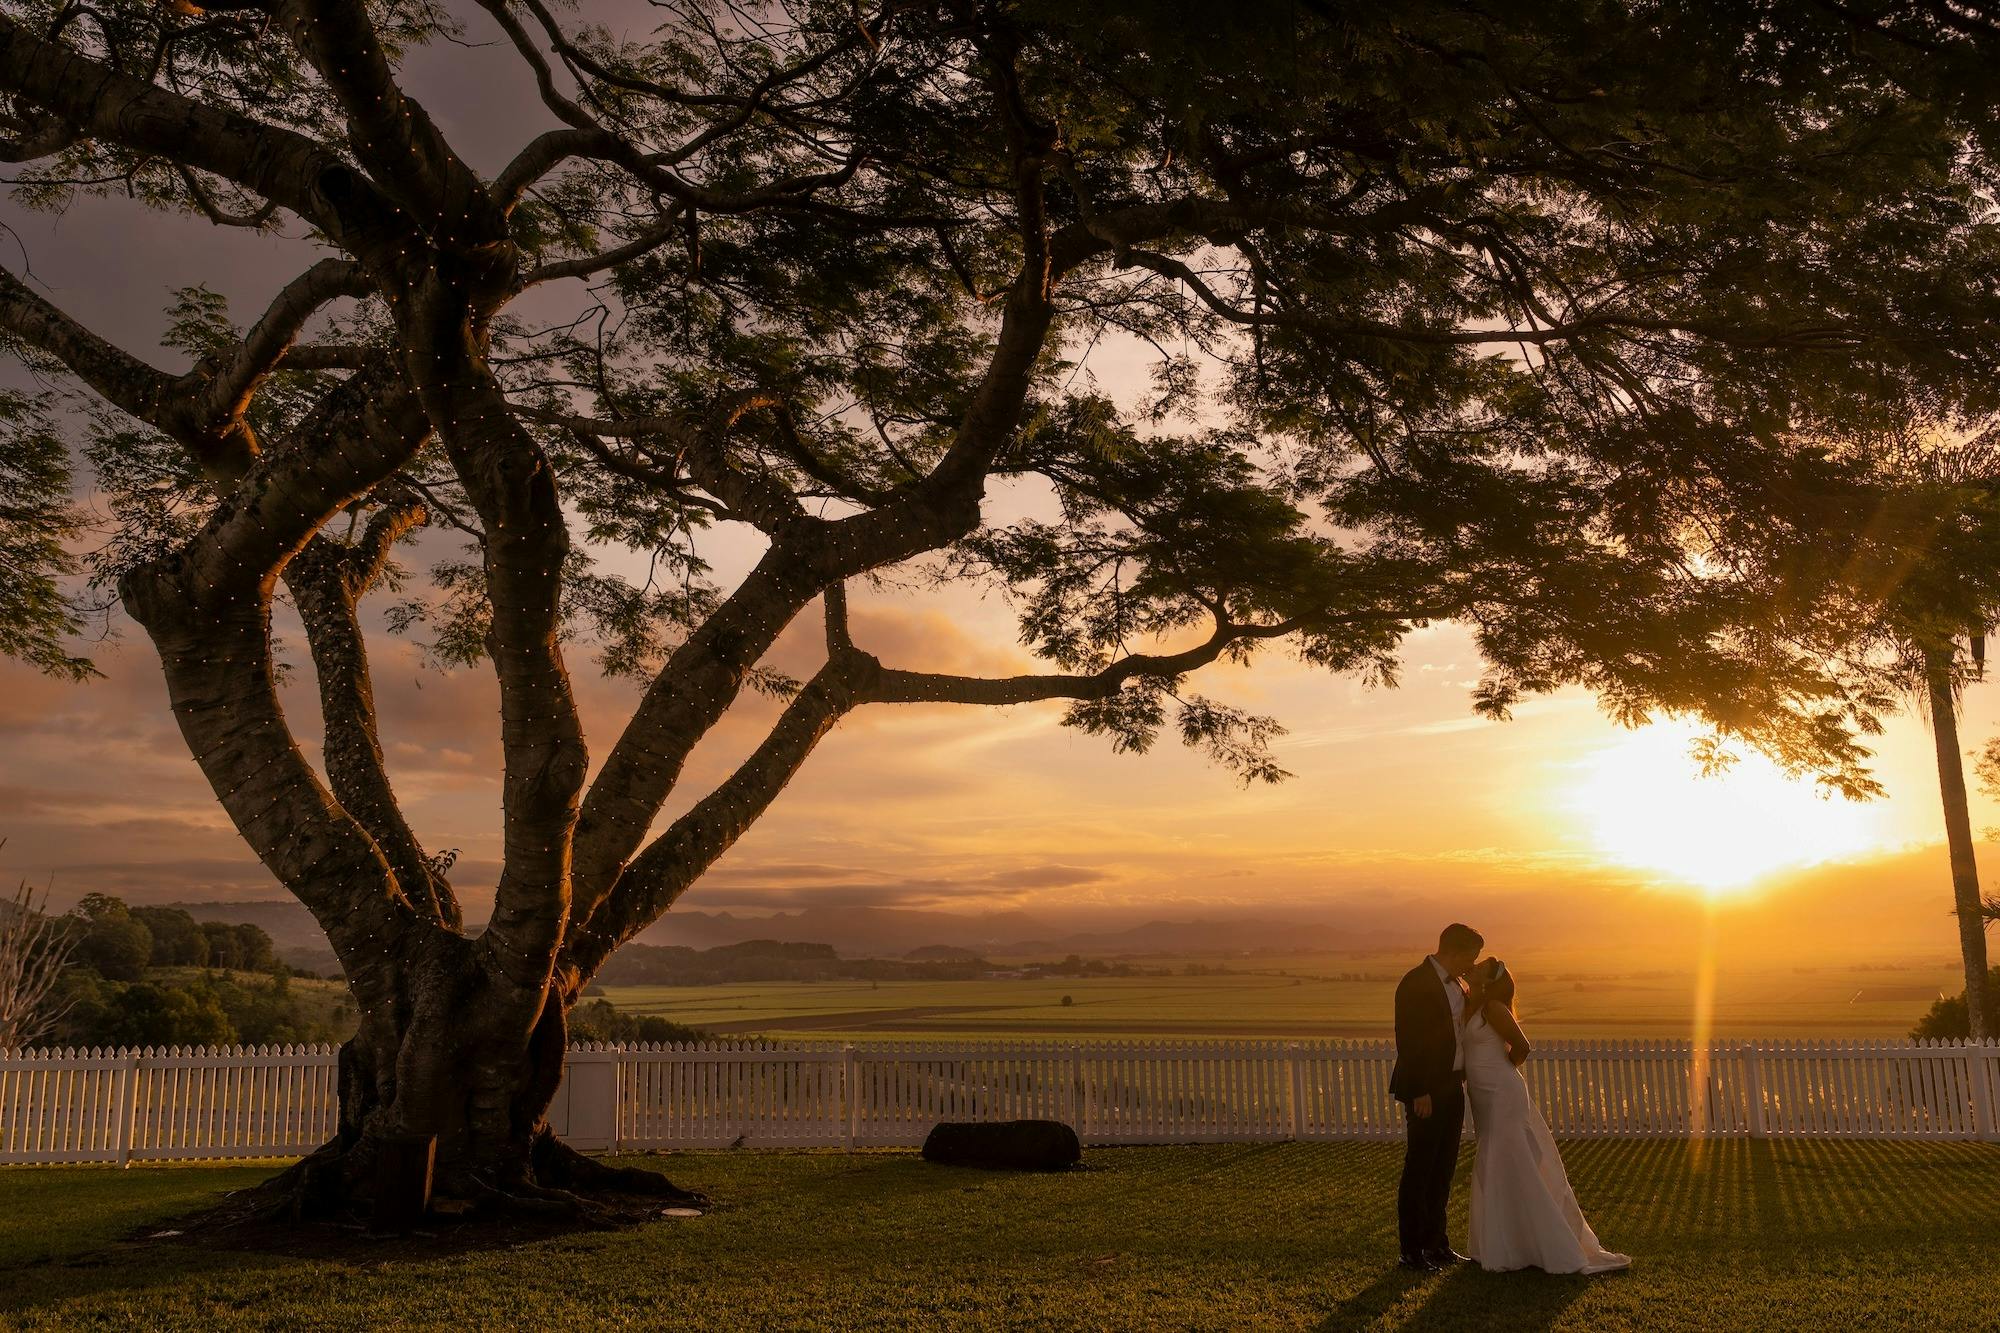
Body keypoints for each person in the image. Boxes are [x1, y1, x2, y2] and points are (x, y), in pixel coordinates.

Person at [1461, 957, 1631, 1275]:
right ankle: (1508, 1240)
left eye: (1481, 965)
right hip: (1484, 1095)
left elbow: (1522, 1047)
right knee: (1494, 1159)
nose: (1475, 964)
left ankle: (1543, 1243)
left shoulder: (1494, 1008)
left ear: (1488, 981)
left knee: (1513, 1160)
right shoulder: (1473, 1005)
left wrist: (1499, 1071)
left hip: (1503, 1093)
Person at [1388, 923, 1482, 1270]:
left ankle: (1437, 1244)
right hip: (1427, 1089)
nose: (1470, 964)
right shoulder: (1416, 982)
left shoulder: (1458, 983)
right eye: (1469, 958)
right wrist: (1420, 1090)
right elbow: (1409, 1041)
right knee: (1420, 1169)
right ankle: (1411, 1250)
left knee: (1443, 1169)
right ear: (1453, 951)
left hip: (1453, 1085)